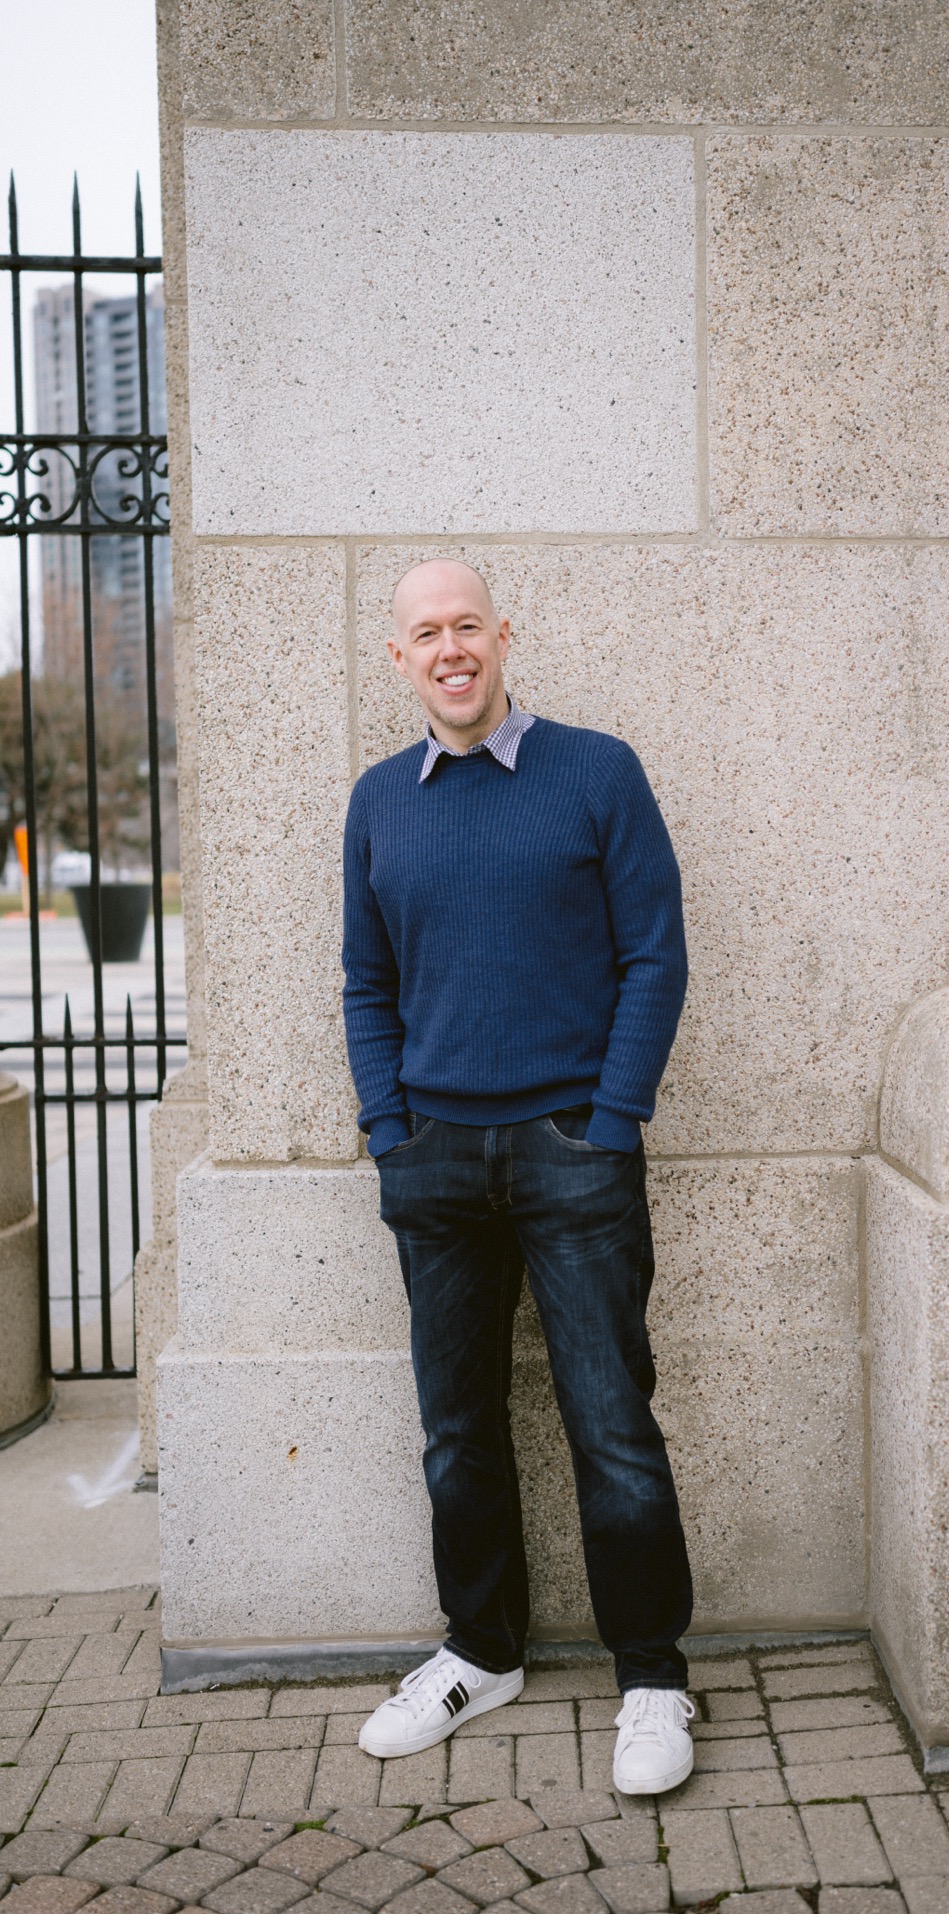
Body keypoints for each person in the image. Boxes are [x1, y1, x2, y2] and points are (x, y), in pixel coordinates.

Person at [341, 557, 696, 1795]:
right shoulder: (379, 800)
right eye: (424, 632)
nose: (450, 649)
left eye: (467, 627)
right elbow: (365, 982)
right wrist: (389, 1128)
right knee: (456, 1433)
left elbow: (655, 955)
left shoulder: (596, 772)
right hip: (432, 1161)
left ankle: (651, 1676)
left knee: (610, 1425)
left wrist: (608, 1120)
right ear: (399, 657)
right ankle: (480, 1652)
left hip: (571, 1154)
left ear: (503, 638)